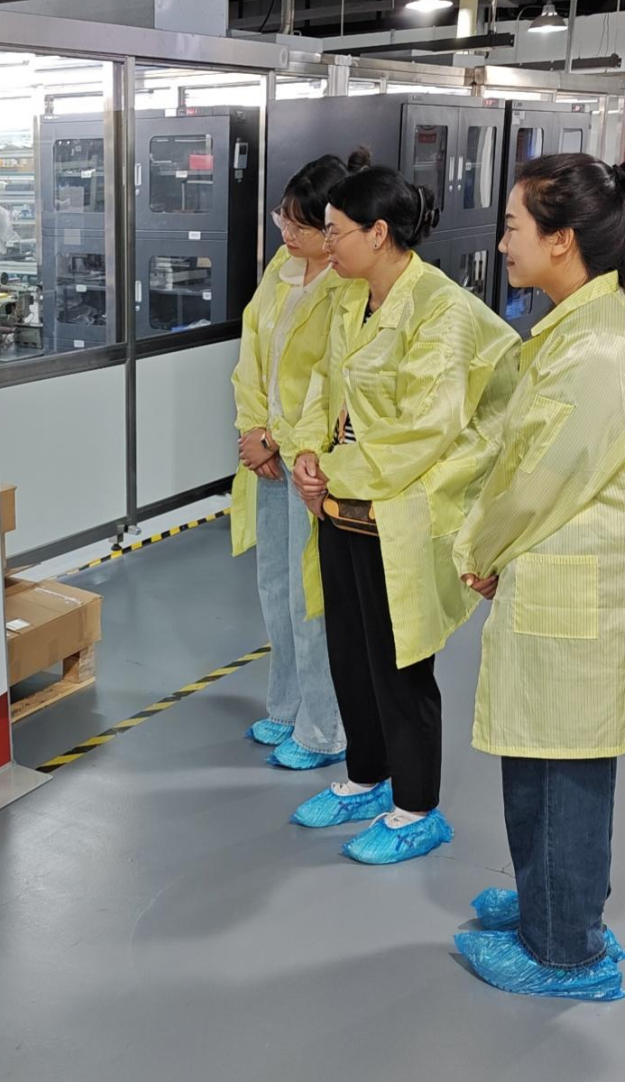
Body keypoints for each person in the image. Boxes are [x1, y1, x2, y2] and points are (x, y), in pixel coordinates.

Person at [287, 165, 520, 865]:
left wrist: (332, 471)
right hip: (342, 506)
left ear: (379, 233)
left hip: (402, 509)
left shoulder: (440, 311)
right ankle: (366, 776)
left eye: (336, 231)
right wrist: (307, 451)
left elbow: (425, 429)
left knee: (400, 663)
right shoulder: (350, 297)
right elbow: (323, 385)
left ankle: (416, 808)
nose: (326, 244)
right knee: (349, 649)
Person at [452, 153, 625, 1001]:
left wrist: (477, 550)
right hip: (551, 569)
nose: (502, 243)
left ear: (562, 240)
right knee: (541, 760)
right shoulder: (575, 329)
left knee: (562, 769)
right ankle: (550, 904)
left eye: (514, 226)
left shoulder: (594, 349)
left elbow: (536, 482)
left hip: (570, 579)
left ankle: (567, 951)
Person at [231, 151, 368, 770]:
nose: (286, 232)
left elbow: (332, 382)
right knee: (275, 586)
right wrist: (252, 428)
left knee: (311, 595)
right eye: (282, 219)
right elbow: (251, 354)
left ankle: (324, 728)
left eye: (301, 224)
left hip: (311, 461)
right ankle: (285, 707)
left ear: (331, 227)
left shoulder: (348, 287)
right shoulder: (280, 270)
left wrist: (284, 442)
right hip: (267, 454)